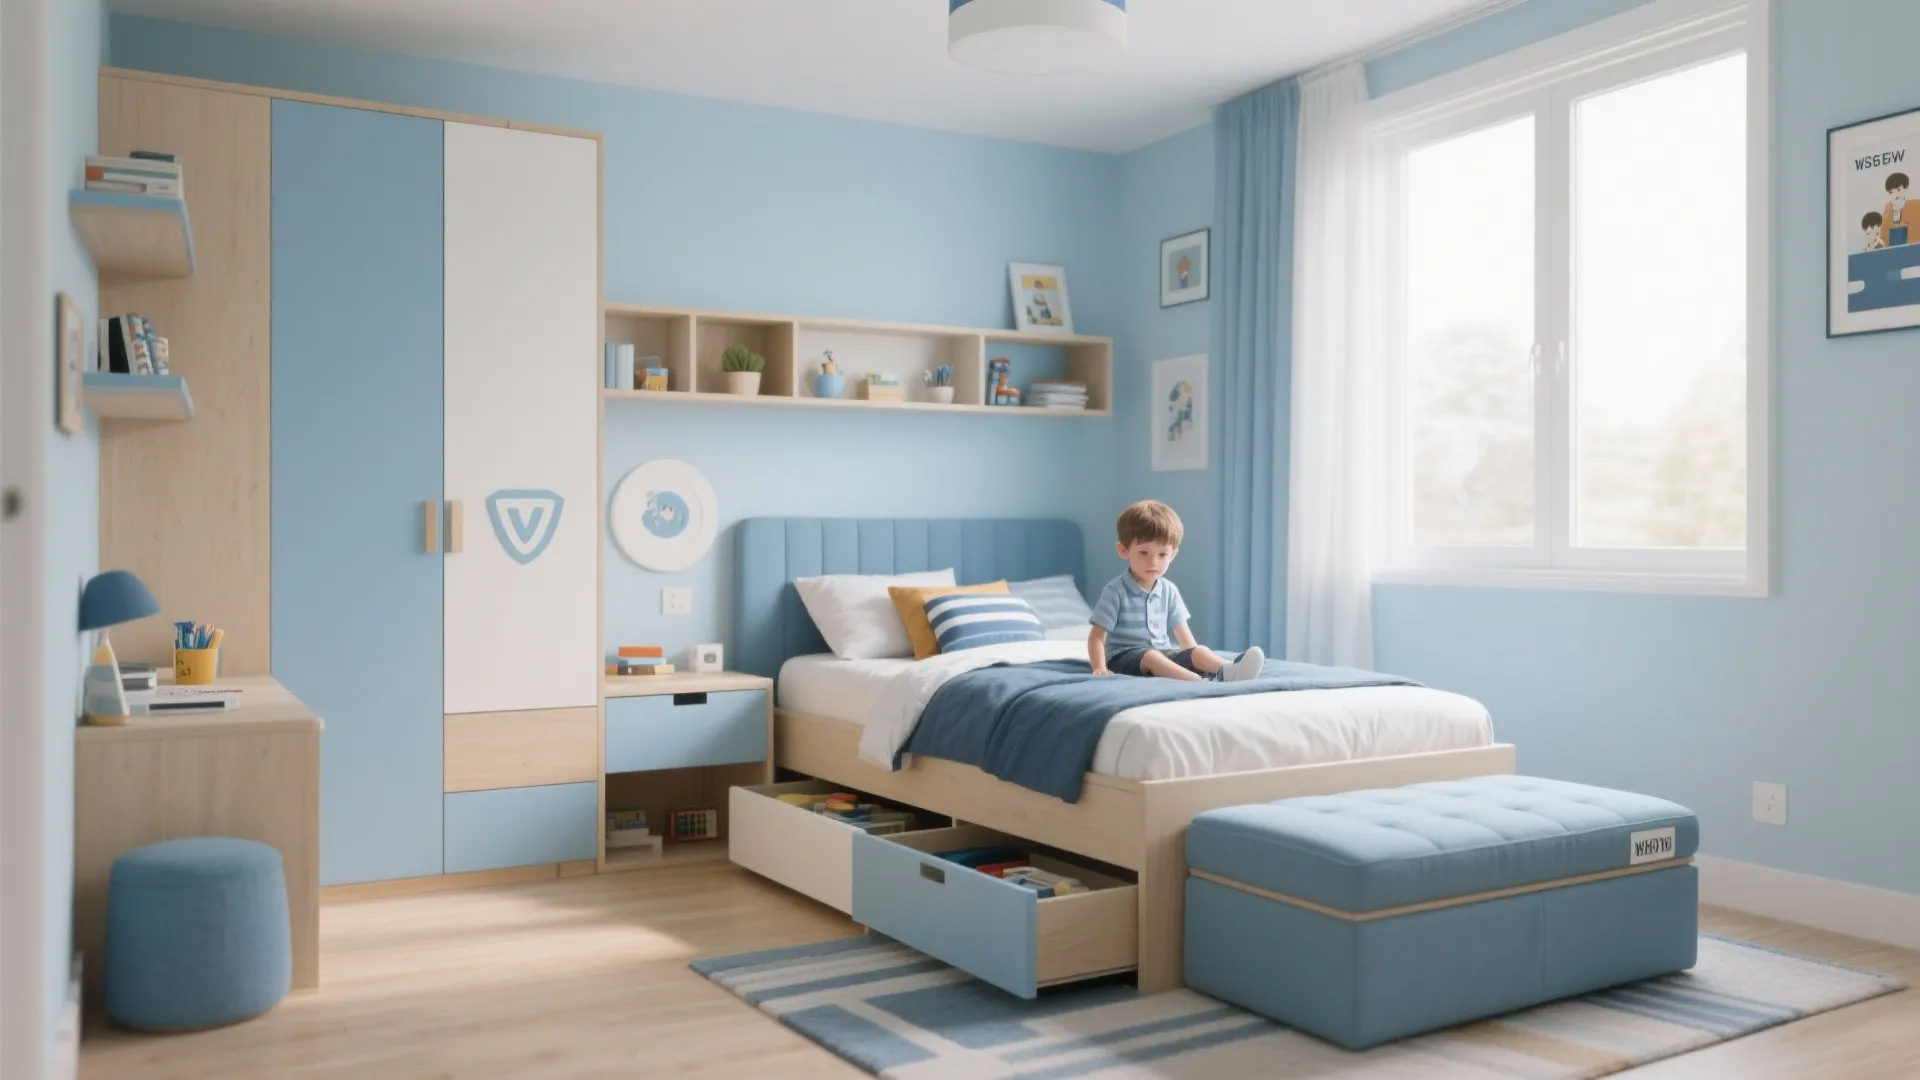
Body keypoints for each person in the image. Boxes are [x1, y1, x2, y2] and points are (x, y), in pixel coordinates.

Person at [1088, 499, 1265, 682]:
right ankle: (1197, 683)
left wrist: (1193, 658)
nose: (1153, 562)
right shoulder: (1116, 591)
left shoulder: (1169, 590)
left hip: (1163, 653)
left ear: (1172, 554)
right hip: (1123, 658)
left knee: (1198, 650)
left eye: (1162, 554)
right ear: (1124, 550)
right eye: (1144, 553)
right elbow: (1097, 637)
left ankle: (1230, 671)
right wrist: (1100, 668)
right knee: (1151, 656)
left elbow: (1183, 634)